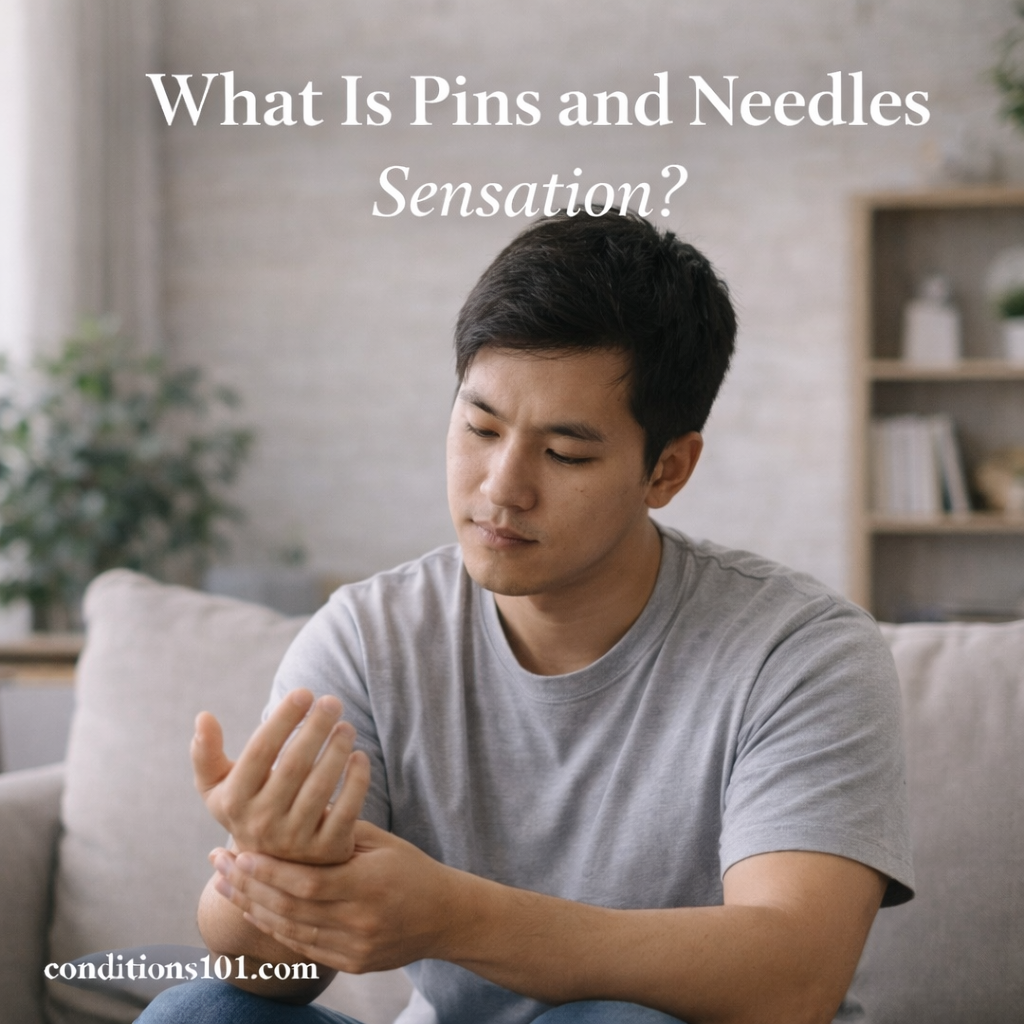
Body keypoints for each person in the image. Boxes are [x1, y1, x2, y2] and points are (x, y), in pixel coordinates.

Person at [137, 211, 913, 1024]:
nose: (501, 487)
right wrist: (264, 870)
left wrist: (455, 915)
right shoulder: (368, 637)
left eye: (565, 452)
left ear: (668, 469)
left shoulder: (799, 651)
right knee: (200, 1013)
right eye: (480, 426)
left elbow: (793, 976)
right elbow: (265, 975)